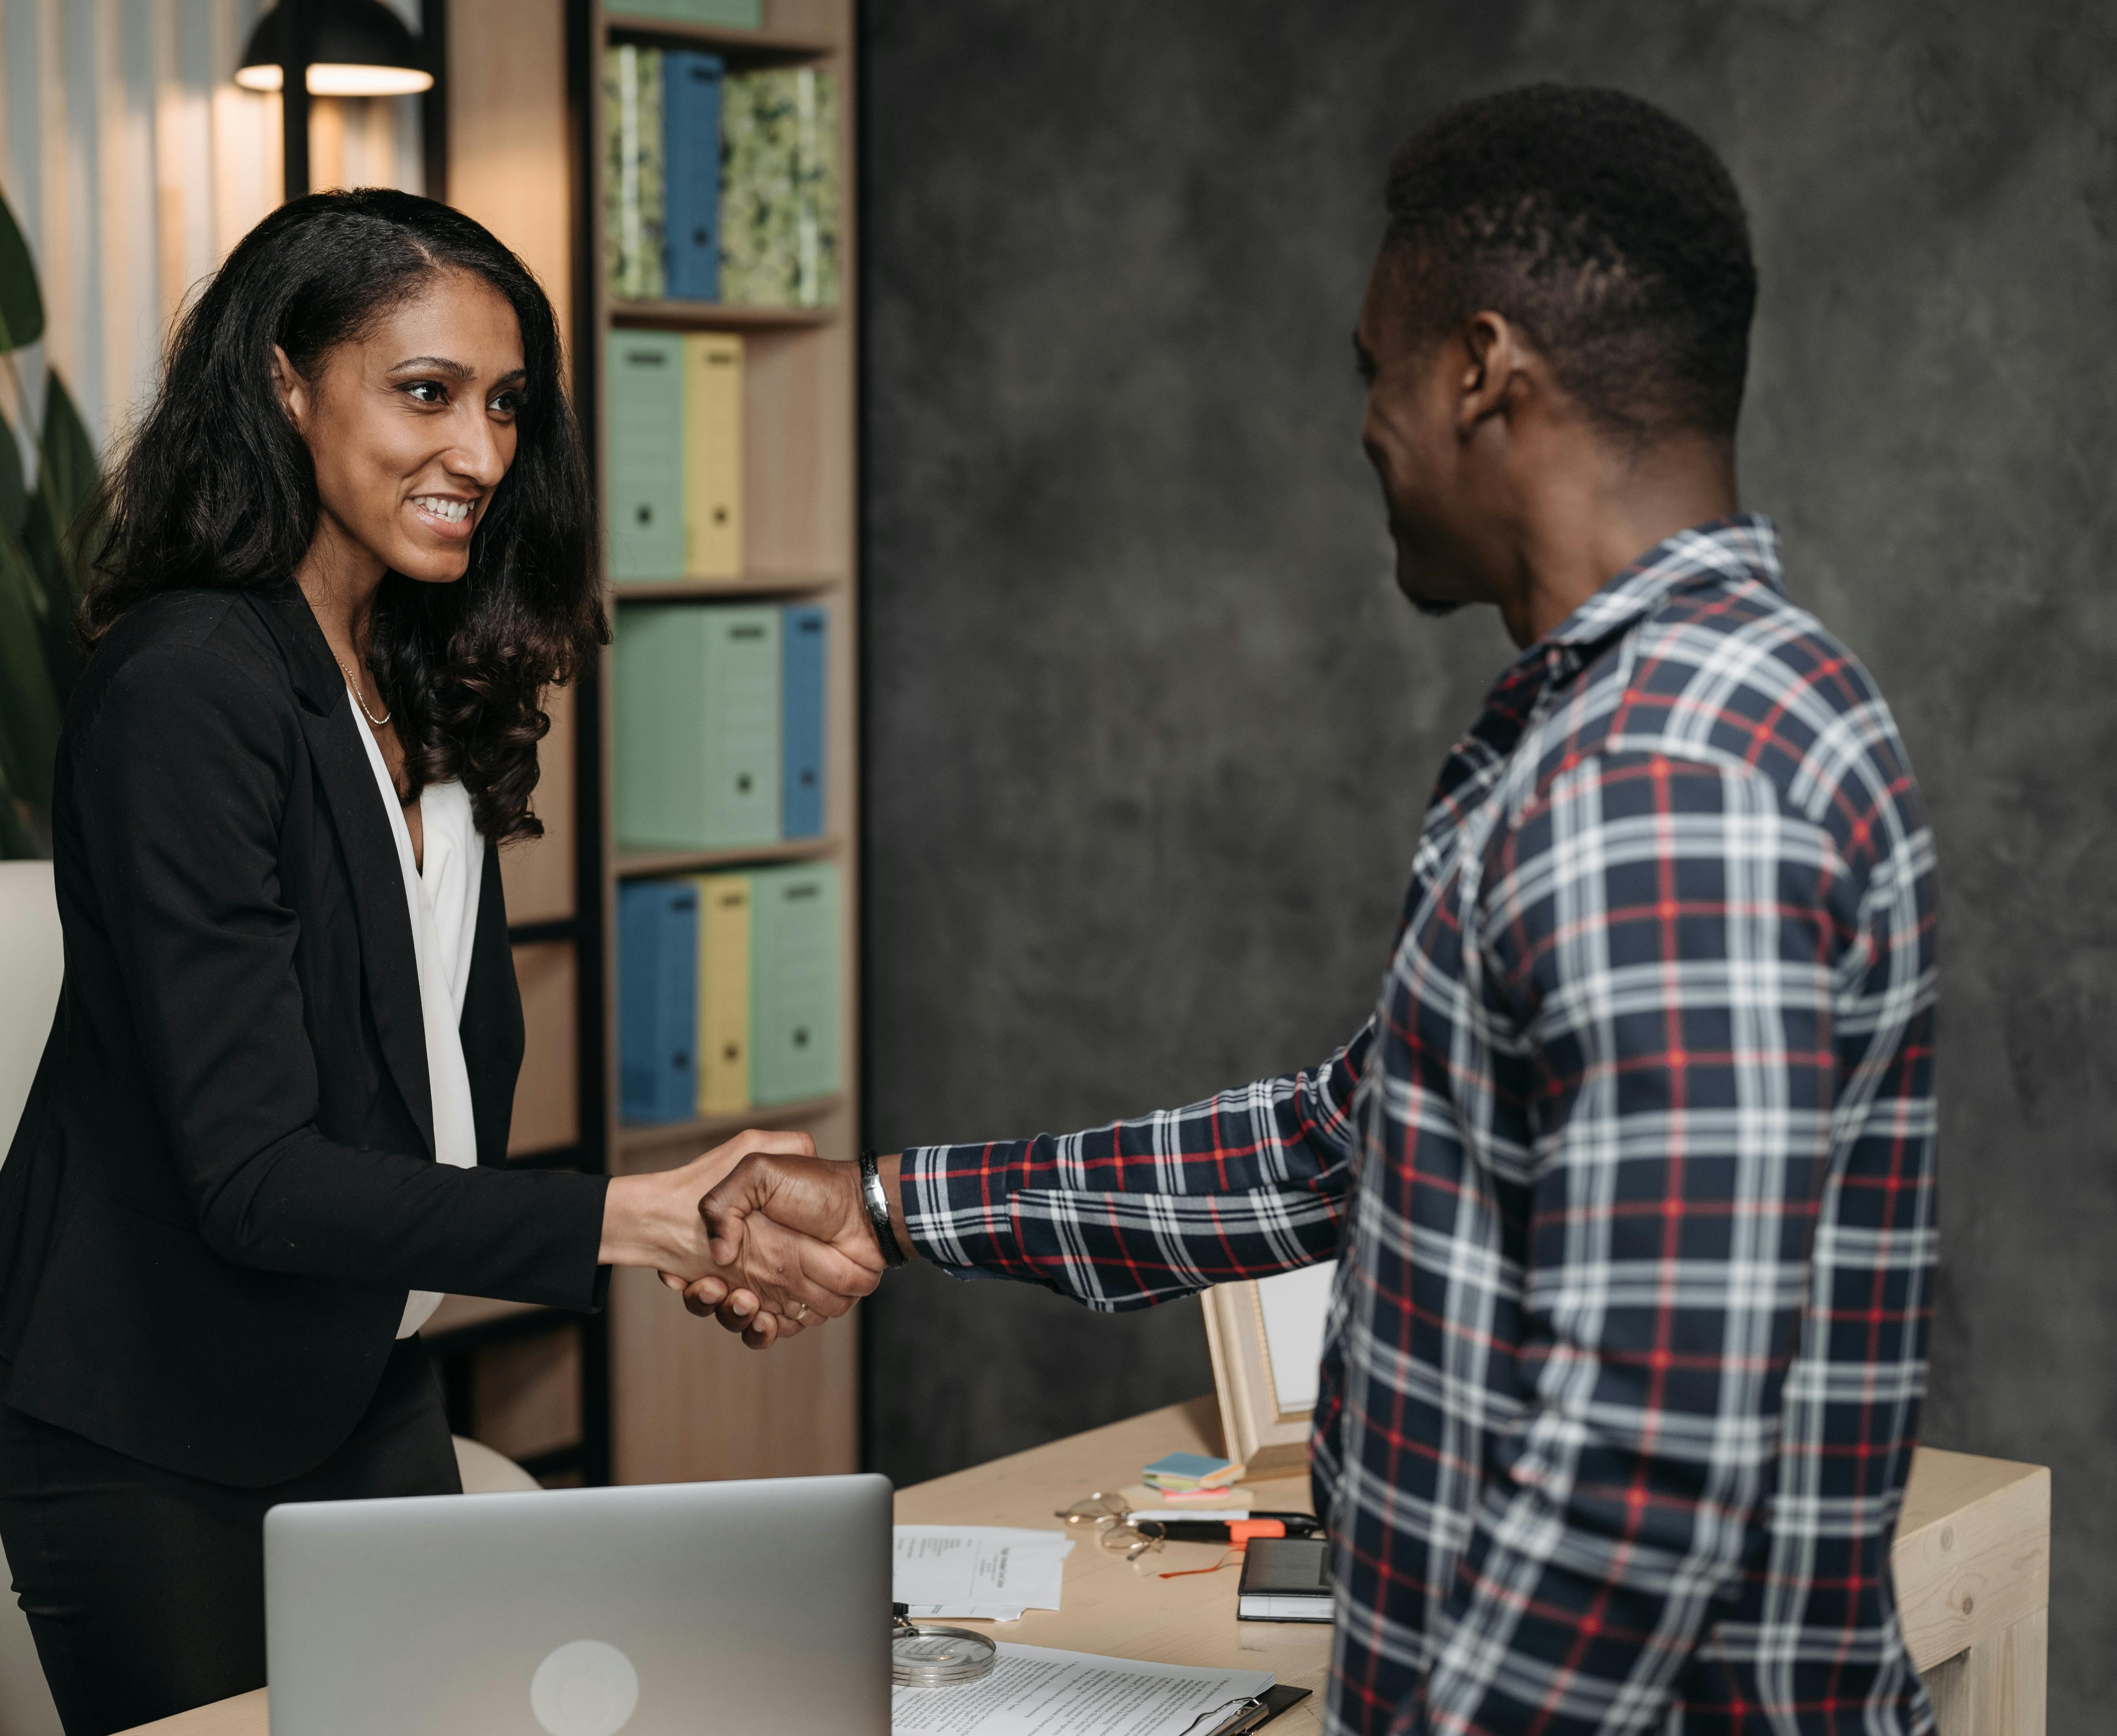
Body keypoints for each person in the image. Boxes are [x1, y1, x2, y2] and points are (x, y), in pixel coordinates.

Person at [683, 86, 1940, 1736]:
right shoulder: (1683, 717)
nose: (1364, 424)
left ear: (1480, 368)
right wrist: (887, 1202)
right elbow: (1337, 1144)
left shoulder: (1665, 782)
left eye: (1376, 366)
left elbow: (1646, 1475)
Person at [0, 190, 865, 1736]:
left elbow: (412, 1077)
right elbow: (250, 1175)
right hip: (150, 1417)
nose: (484, 454)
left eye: (505, 405)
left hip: (353, 1366)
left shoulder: (401, 665)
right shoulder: (185, 687)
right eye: (425, 393)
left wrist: (660, 1233)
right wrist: (635, 1220)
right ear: (286, 384)